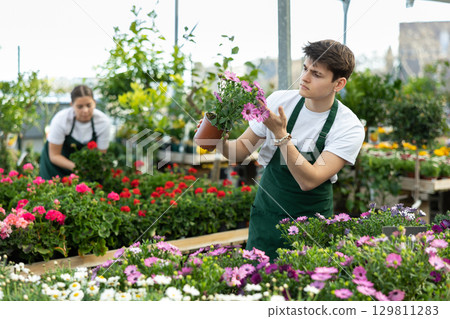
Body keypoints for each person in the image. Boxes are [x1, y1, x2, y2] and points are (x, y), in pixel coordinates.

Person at [197, 39, 365, 260]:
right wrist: (217, 138)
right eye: (305, 68)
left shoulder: (348, 126)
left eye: (316, 74)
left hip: (310, 227)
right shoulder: (280, 101)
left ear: (339, 84)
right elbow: (239, 152)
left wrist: (281, 135)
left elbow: (310, 180)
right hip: (267, 218)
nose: (304, 77)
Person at [39, 85, 111, 180]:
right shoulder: (61, 120)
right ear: (71, 105)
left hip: (83, 168)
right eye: (80, 107)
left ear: (95, 103)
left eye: (89, 105)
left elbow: (100, 156)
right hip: (55, 166)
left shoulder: (103, 122)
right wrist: (78, 168)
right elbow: (54, 155)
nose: (85, 110)